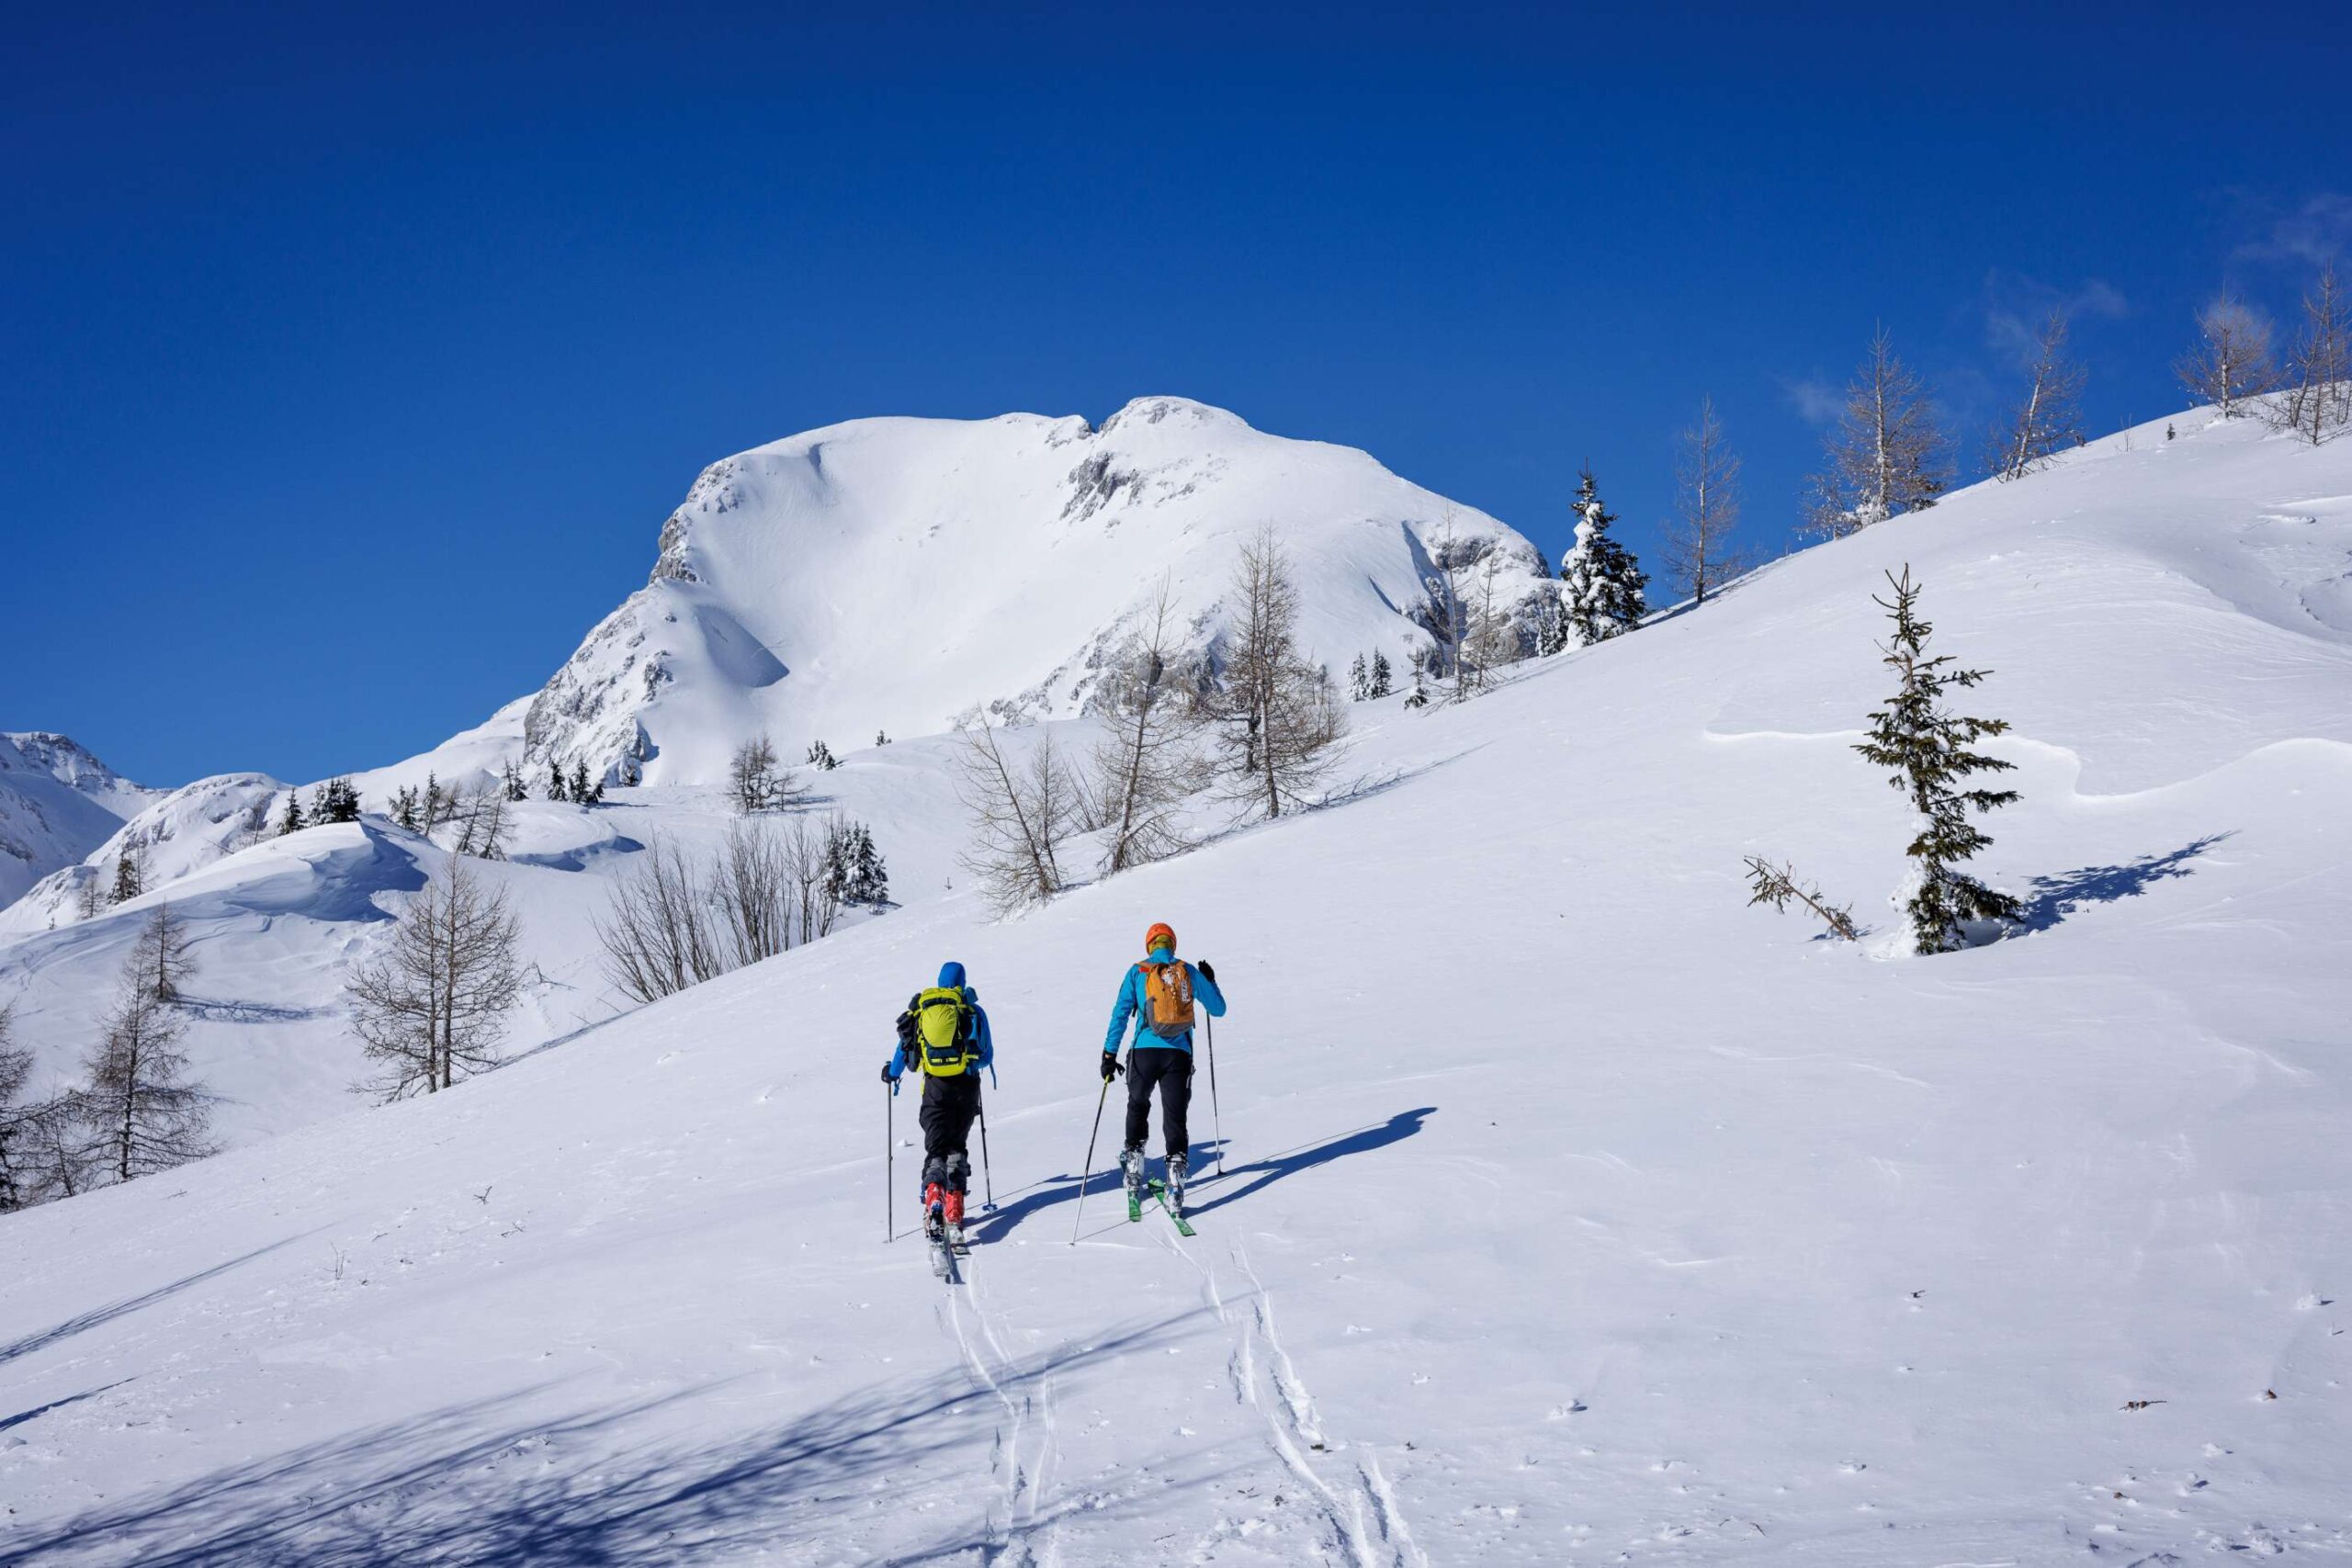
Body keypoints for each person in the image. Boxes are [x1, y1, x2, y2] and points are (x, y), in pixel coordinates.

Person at [1101, 922, 1226, 1214]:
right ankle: (1176, 1188)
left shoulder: (1138, 971)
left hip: (1144, 1052)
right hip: (1178, 1056)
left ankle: (1133, 1172)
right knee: (1175, 1118)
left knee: (1138, 1105)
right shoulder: (1187, 970)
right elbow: (1218, 1009)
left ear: (1149, 945)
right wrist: (1211, 981)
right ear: (1173, 944)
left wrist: (1109, 1054)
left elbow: (1120, 1013)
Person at [883, 961, 993, 1244]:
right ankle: (954, 1208)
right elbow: (987, 1055)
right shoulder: (971, 1010)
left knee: (936, 1149)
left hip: (934, 1089)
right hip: (966, 1088)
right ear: (962, 981)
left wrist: (891, 1073)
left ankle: (934, 1198)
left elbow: (904, 1049)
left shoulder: (922, 1010)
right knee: (957, 1147)